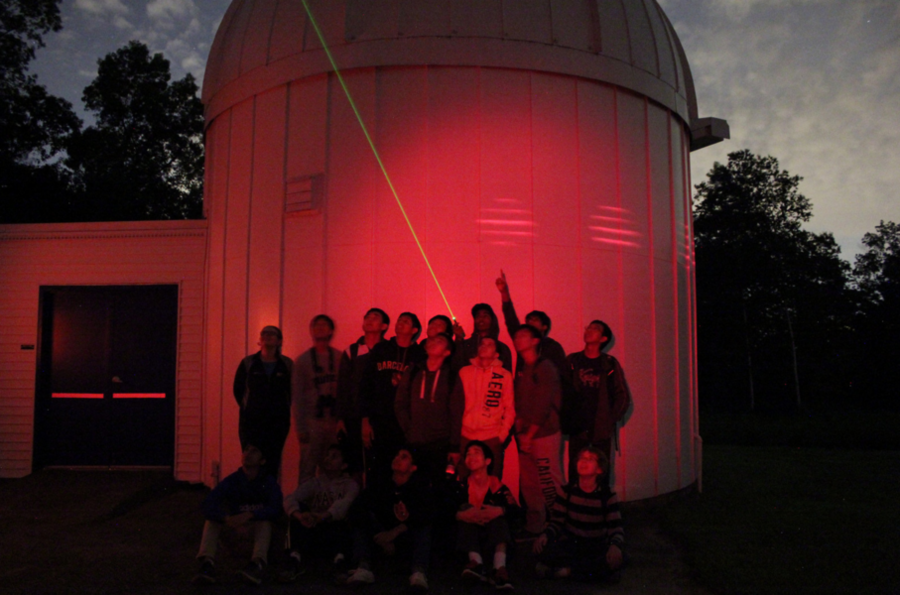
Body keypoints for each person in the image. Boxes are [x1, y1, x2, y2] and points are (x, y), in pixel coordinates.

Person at [192, 443, 284, 585]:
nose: (248, 454)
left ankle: (257, 564)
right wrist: (225, 518)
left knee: (264, 522)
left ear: (262, 461)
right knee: (212, 521)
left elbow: (276, 508)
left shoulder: (268, 482)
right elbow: (207, 503)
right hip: (236, 530)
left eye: (254, 451)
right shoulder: (233, 480)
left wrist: (251, 514)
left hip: (257, 534)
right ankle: (207, 564)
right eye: (246, 450)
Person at [533, 446, 625, 583]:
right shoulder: (567, 491)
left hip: (595, 546)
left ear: (599, 469)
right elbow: (557, 522)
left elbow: (616, 527)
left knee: (615, 559)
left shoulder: (607, 495)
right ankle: (582, 572)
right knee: (542, 549)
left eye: (590, 459)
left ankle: (565, 572)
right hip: (572, 544)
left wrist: (614, 546)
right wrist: (545, 535)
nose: (584, 462)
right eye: (581, 458)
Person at [347, 447, 434, 591]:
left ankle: (419, 571)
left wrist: (394, 533)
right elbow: (358, 508)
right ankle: (363, 567)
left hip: (404, 538)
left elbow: (423, 515)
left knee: (424, 527)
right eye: (397, 455)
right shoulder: (380, 484)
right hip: (380, 536)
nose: (397, 459)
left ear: (413, 467)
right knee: (360, 517)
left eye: (404, 457)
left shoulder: (419, 488)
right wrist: (381, 535)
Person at [359, 312, 426, 485]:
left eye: (406, 321)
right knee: (377, 470)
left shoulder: (419, 354)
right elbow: (366, 384)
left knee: (401, 471)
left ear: (414, 330)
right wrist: (365, 420)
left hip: (404, 423)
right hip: (379, 420)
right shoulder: (381, 349)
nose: (400, 323)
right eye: (399, 320)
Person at [278, 444, 360, 584]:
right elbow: (291, 498)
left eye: (334, 456)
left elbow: (344, 504)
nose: (327, 459)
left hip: (333, 531)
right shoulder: (316, 482)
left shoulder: (350, 485)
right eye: (327, 455)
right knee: (298, 509)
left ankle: (340, 562)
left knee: (345, 518)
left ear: (344, 465)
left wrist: (323, 516)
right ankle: (294, 559)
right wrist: (299, 515)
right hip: (313, 529)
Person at [565, 320, 632, 484]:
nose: (589, 330)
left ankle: (601, 499)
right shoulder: (573, 360)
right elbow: (560, 389)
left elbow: (622, 396)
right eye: (588, 327)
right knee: (576, 467)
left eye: (595, 329)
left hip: (600, 427)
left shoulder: (609, 363)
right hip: (577, 426)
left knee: (601, 469)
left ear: (603, 338)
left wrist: (609, 420)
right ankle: (574, 498)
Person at [513, 324, 564, 535]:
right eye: (516, 336)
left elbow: (543, 404)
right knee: (529, 482)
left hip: (544, 433)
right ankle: (535, 525)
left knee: (549, 480)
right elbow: (520, 403)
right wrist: (520, 432)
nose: (517, 339)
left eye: (523, 335)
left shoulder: (545, 367)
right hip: (525, 434)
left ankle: (560, 525)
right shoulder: (524, 369)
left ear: (535, 341)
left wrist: (529, 435)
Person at [394, 332, 458, 487]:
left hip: (440, 444)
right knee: (413, 487)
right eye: (432, 339)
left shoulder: (451, 376)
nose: (433, 342)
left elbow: (456, 413)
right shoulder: (413, 371)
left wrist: (454, 446)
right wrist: (408, 428)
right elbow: (400, 403)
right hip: (414, 442)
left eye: (439, 341)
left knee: (437, 488)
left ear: (447, 352)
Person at [452, 440, 517, 590]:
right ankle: (475, 562)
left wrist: (499, 511)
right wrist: (461, 515)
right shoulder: (460, 486)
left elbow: (516, 511)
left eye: (476, 453)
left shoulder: (498, 487)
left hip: (493, 539)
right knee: (465, 508)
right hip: (468, 542)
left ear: (487, 461)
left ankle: (499, 568)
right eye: (468, 454)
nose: (471, 457)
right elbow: (446, 511)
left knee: (497, 512)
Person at [451, 335, 515, 479]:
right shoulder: (464, 372)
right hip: (466, 436)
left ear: (496, 354)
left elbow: (509, 408)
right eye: (482, 344)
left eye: (489, 344)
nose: (484, 346)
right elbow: (456, 406)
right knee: (464, 481)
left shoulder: (504, 375)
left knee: (492, 482)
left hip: (491, 437)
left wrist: (501, 436)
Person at [336, 308, 390, 480]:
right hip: (354, 415)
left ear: (384, 326)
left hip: (381, 416)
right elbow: (343, 386)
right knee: (355, 465)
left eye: (375, 317)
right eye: (367, 317)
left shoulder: (388, 350)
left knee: (380, 465)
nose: (369, 320)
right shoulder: (352, 351)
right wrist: (340, 418)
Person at [233, 325, 292, 480]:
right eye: (264, 333)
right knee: (250, 461)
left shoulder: (287, 364)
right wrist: (252, 408)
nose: (267, 335)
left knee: (272, 462)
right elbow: (238, 390)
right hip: (251, 422)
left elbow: (292, 391)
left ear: (279, 341)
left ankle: (268, 494)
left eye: (272, 333)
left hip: (277, 423)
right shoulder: (248, 363)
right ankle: (250, 495)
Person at [293, 314, 343, 483]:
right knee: (307, 468)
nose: (320, 328)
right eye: (317, 325)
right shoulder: (303, 361)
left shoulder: (339, 358)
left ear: (331, 331)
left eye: (324, 325)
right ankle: (304, 499)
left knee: (332, 467)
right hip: (312, 422)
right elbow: (298, 396)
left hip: (333, 421)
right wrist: (301, 427)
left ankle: (327, 499)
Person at [495, 270, 567, 375]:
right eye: (528, 320)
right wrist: (504, 292)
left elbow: (563, 374)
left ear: (544, 327)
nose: (530, 322)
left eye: (535, 319)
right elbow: (510, 319)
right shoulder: (523, 341)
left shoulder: (553, 347)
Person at [452, 303, 513, 374]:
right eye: (478, 316)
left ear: (492, 320)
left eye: (485, 316)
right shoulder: (466, 345)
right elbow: (455, 367)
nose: (481, 319)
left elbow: (506, 375)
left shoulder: (502, 348)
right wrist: (458, 339)